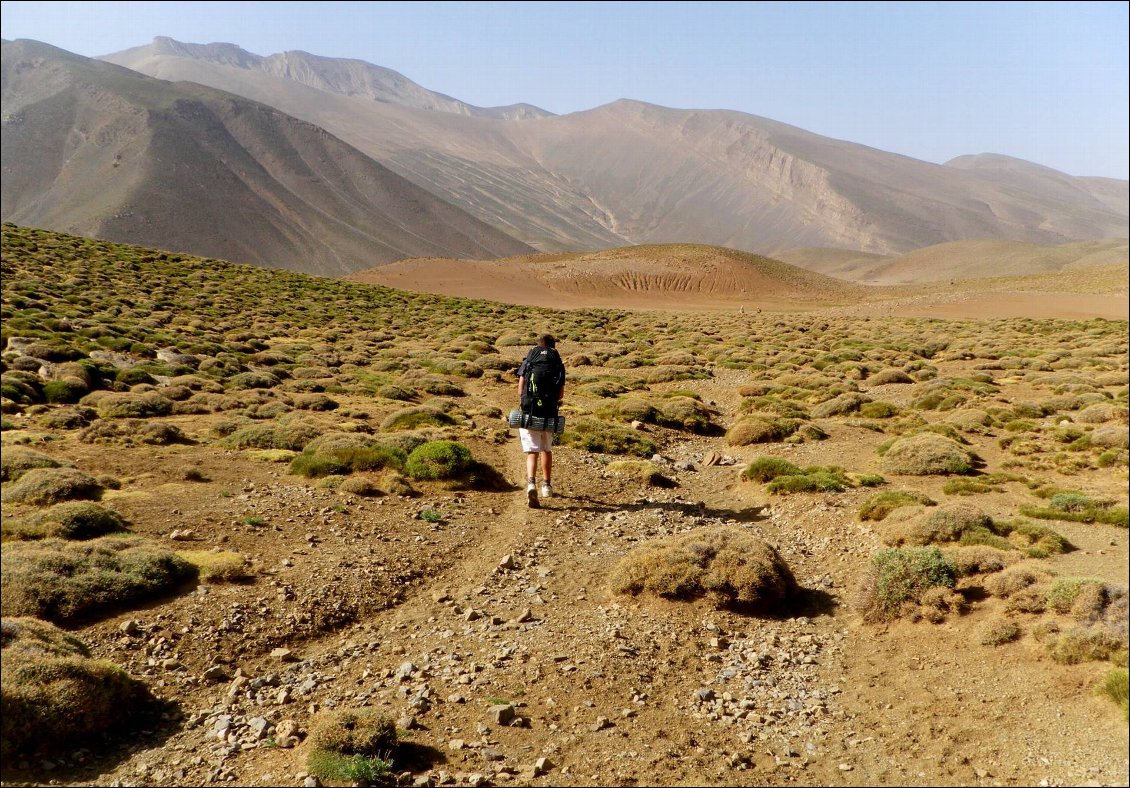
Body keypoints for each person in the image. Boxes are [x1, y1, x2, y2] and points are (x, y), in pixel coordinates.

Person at [516, 334, 566, 508]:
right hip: (549, 411)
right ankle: (546, 486)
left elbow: (520, 388)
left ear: (538, 345)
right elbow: (560, 394)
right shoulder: (557, 362)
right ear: (553, 346)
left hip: (529, 409)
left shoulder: (529, 359)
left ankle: (531, 483)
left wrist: (525, 401)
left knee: (532, 451)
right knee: (546, 449)